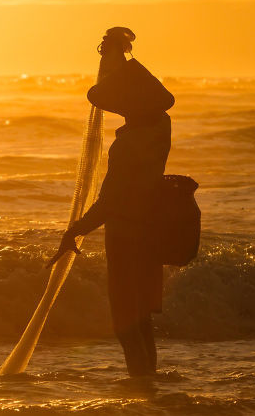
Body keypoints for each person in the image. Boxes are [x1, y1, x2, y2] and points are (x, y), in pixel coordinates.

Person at [47, 27, 174, 376]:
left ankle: (140, 386)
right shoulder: (160, 129)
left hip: (127, 235)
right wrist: (120, 57)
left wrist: (75, 229)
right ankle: (147, 386)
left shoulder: (129, 143)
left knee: (124, 321)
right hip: (150, 231)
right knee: (141, 316)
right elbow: (146, 89)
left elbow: (110, 201)